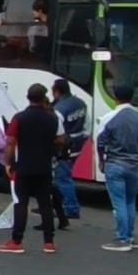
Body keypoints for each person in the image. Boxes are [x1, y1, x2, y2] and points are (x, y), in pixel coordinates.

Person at [0, 83, 60, 255]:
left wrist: (8, 163)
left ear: (28, 97)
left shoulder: (19, 118)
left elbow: (10, 143)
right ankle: (49, 242)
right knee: (45, 205)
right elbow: (59, 139)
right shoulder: (52, 118)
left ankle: (17, 241)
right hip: (44, 167)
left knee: (21, 203)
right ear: (44, 98)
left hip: (24, 167)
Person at [96, 83, 138, 251]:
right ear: (132, 97)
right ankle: (130, 236)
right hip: (134, 165)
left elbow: (101, 141)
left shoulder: (109, 117)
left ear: (115, 97)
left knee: (118, 202)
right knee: (130, 201)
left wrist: (101, 160)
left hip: (115, 163)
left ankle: (122, 239)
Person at [51, 79, 87, 221]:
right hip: (77, 143)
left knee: (62, 178)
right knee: (62, 176)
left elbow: (56, 131)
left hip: (64, 147)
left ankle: (71, 208)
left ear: (57, 92)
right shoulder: (80, 103)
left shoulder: (59, 109)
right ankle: (56, 205)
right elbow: (86, 124)